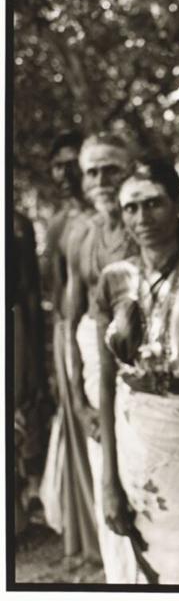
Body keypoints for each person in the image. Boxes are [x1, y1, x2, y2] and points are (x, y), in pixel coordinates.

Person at [94, 157, 179, 583]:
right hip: (133, 434)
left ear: (178, 205)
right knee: (142, 561)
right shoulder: (113, 279)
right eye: (131, 207)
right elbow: (106, 382)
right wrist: (108, 478)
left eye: (153, 204)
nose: (141, 217)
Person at [65, 132, 139, 581]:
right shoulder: (80, 236)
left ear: (129, 169)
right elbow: (70, 322)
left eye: (110, 168)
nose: (100, 179)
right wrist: (77, 400)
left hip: (140, 372)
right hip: (94, 376)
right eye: (91, 170)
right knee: (106, 480)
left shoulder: (147, 223)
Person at [39, 129, 101, 562]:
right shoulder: (60, 223)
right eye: (55, 165)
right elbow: (54, 288)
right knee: (79, 424)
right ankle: (92, 536)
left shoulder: (110, 212)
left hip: (107, 325)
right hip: (71, 329)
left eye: (68, 162)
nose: (62, 173)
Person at [13, 211, 48, 535]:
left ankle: (19, 512)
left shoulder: (17, 224)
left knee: (21, 409)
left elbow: (30, 293)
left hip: (15, 323)